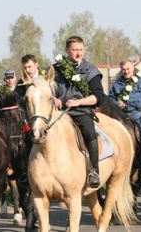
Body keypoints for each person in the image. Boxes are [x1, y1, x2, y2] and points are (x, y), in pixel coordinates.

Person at [52, 36, 104, 188]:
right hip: (59, 113)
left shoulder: (91, 70)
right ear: (67, 50)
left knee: (89, 132)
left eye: (81, 50)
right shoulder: (55, 69)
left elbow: (98, 97)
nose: (78, 53)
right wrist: (53, 98)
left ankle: (94, 172)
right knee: (40, 133)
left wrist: (78, 102)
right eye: (75, 50)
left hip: (81, 112)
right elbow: (46, 88)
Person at [108, 60, 141, 169]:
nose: (126, 71)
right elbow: (110, 98)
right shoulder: (117, 84)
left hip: (138, 113)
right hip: (121, 114)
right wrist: (117, 103)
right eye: (123, 69)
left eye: (128, 69)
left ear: (133, 68)